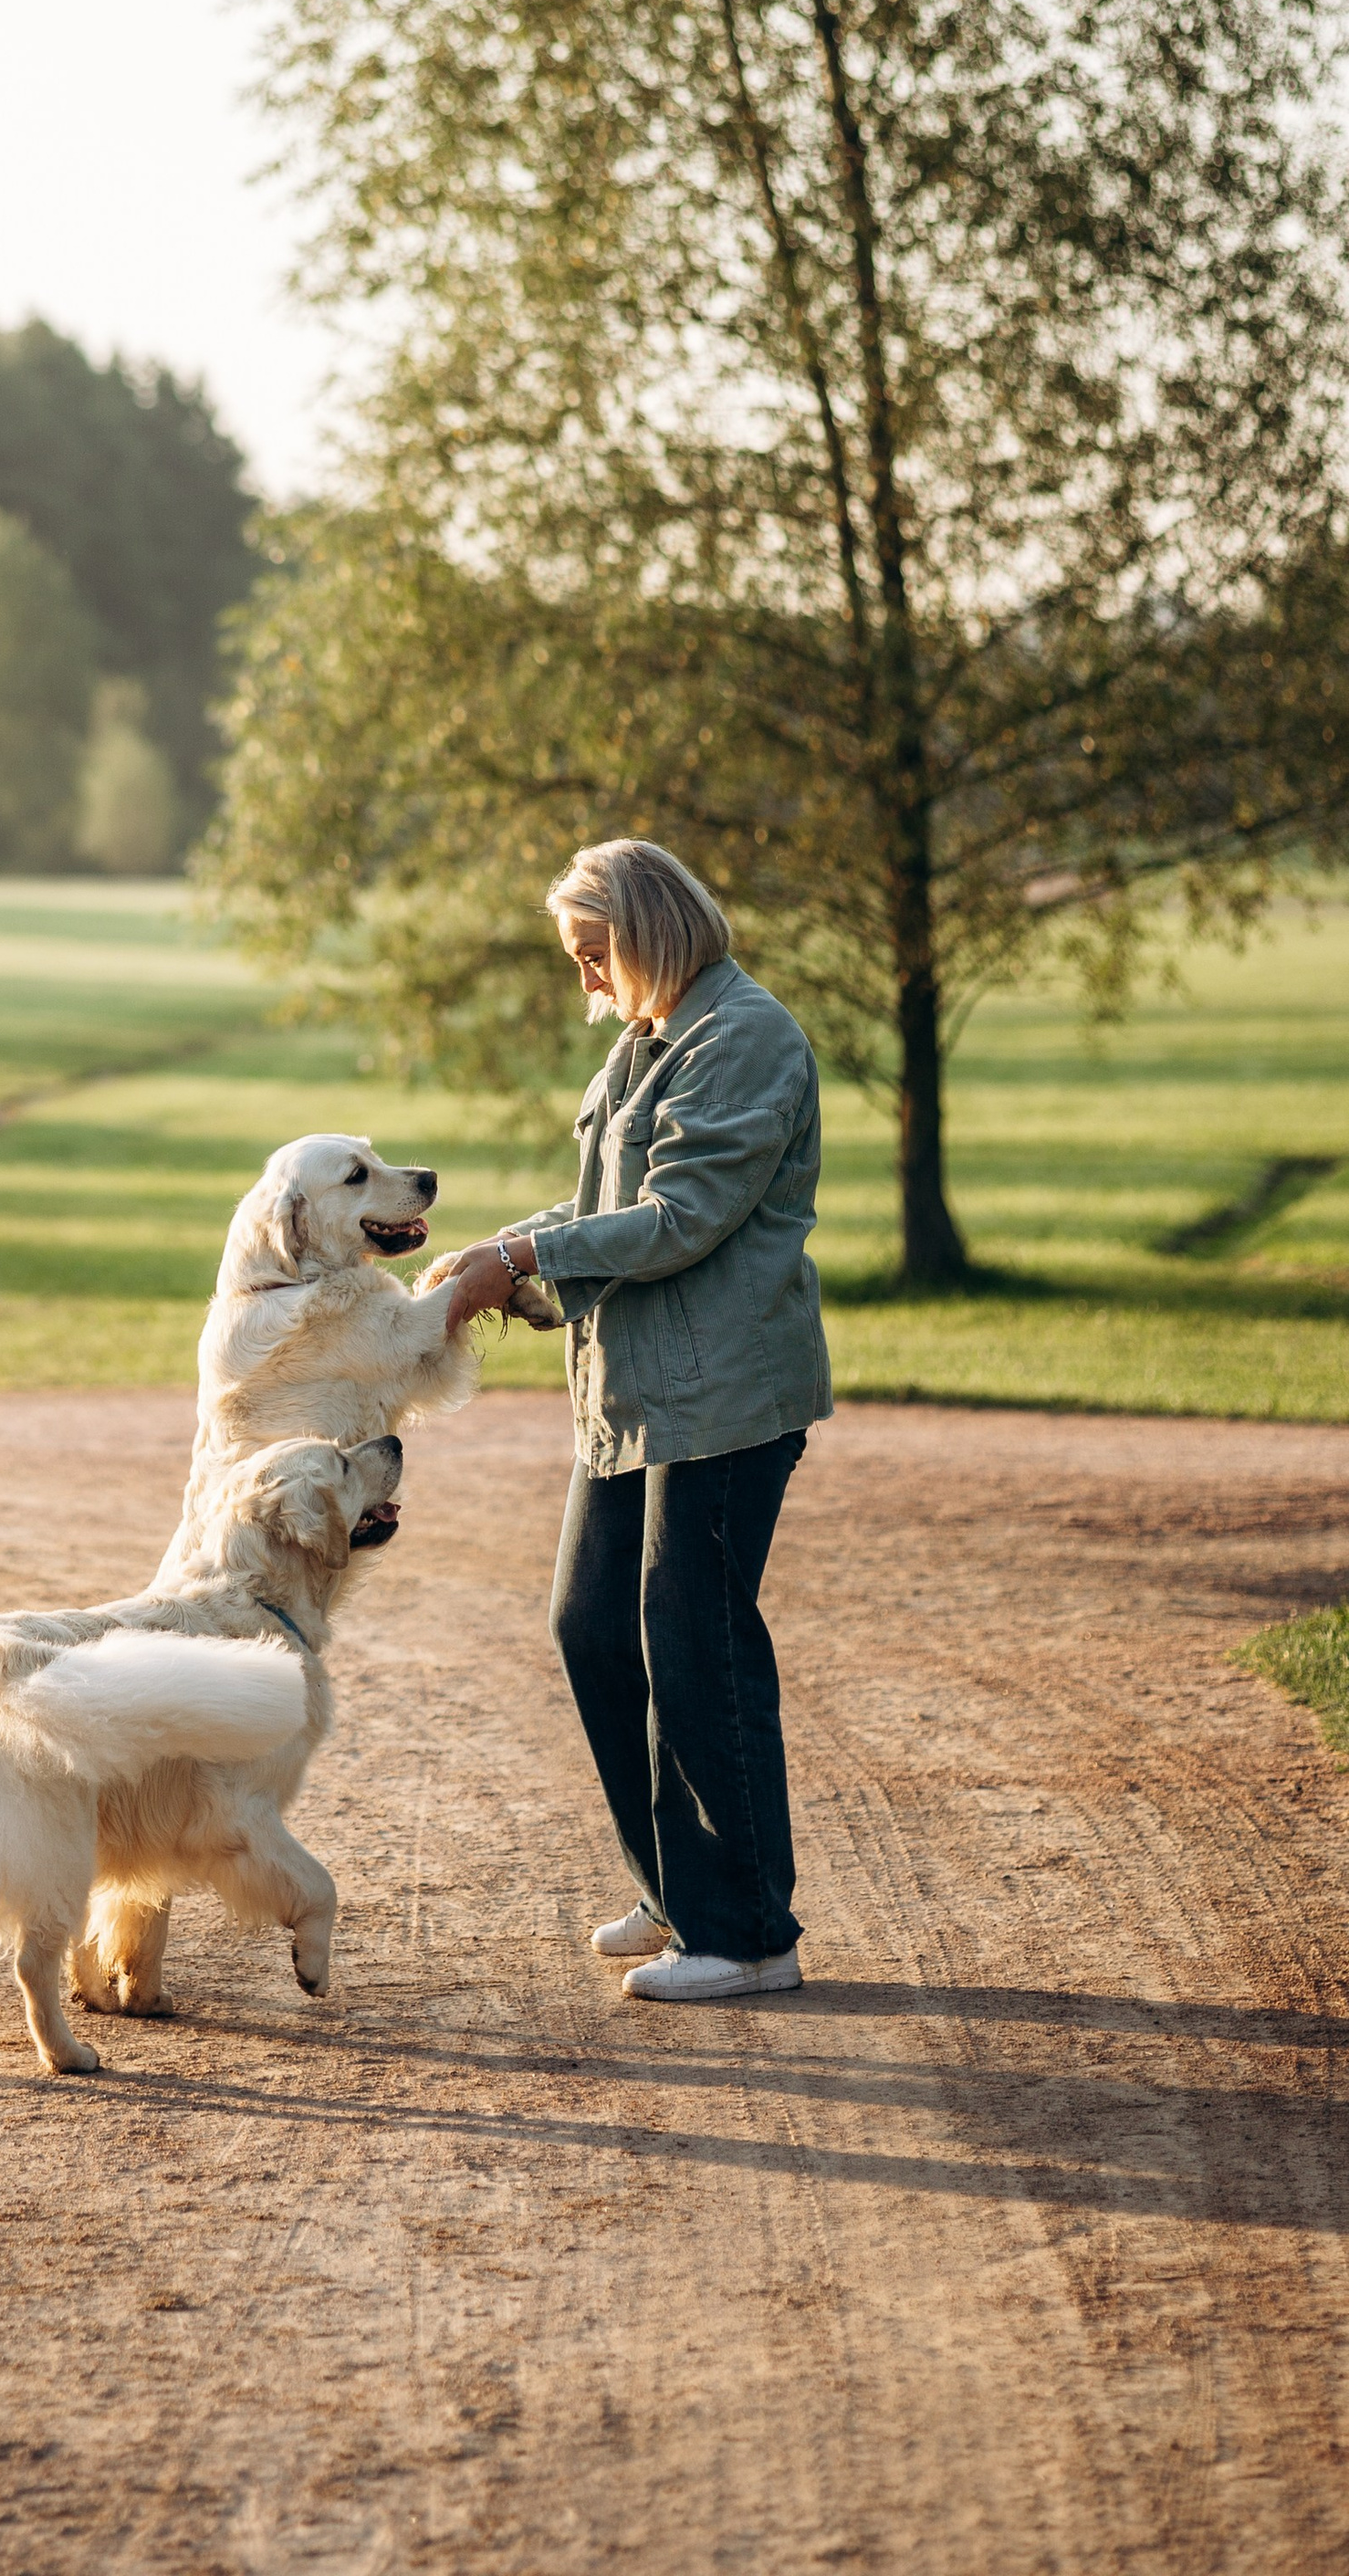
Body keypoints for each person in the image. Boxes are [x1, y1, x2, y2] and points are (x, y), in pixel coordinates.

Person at [432, 840, 831, 2001]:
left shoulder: (744, 1036)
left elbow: (679, 1218)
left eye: (593, 951)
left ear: (650, 929)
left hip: (723, 1402)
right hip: (635, 1396)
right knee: (592, 1625)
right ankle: (679, 1891)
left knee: (696, 1647)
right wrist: (504, 1254)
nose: (586, 978)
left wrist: (521, 1261)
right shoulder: (650, 1038)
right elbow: (606, 1204)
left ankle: (746, 1936)